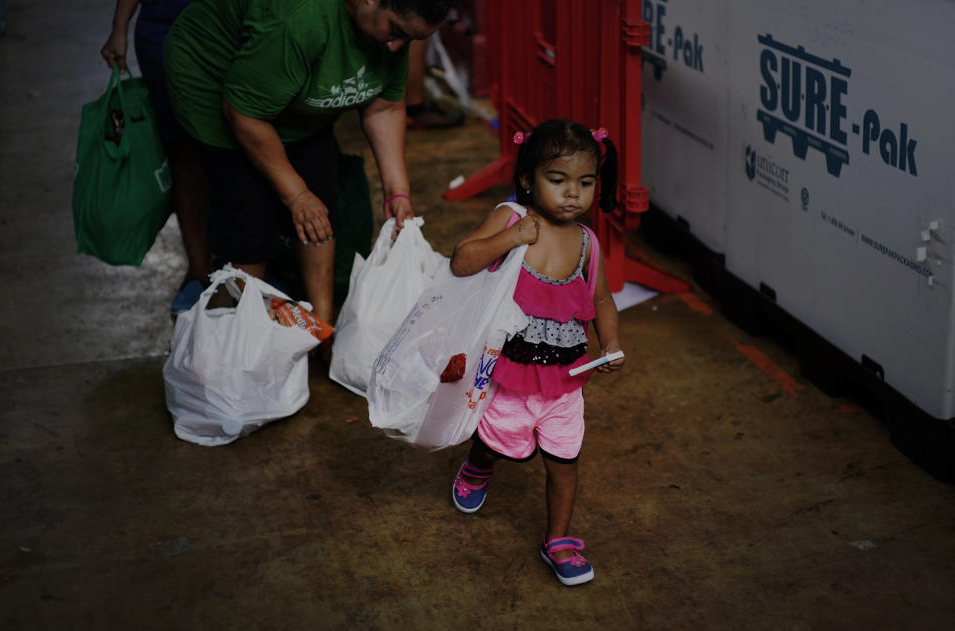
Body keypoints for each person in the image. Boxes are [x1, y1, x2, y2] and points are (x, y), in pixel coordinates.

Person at [163, 0, 459, 342]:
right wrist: (295, 194)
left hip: (288, 95)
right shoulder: (301, 19)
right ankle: (238, 338)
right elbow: (244, 113)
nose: (397, 47)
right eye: (395, 31)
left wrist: (397, 191)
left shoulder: (392, 33)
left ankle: (322, 330)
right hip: (218, 84)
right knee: (250, 215)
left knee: (321, 199)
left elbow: (384, 106)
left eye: (409, 39)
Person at [448, 119, 626, 586]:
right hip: (510, 373)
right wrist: (511, 238)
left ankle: (559, 540)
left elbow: (602, 300)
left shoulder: (588, 242)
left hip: (567, 381)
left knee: (565, 461)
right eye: (558, 180)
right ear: (528, 179)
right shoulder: (511, 216)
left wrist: (609, 343)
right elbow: (461, 260)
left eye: (585, 183)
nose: (573, 194)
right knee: (496, 440)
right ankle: (478, 465)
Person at [100, 0, 211, 315]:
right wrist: (120, 26)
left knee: (236, 152)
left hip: (232, 26)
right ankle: (199, 271)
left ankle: (246, 264)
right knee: (183, 153)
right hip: (164, 29)